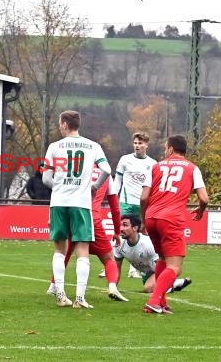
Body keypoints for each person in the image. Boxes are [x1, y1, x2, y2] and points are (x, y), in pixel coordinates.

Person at [42, 110, 112, 309]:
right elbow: (107, 170)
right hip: (81, 203)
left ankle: (61, 295)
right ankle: (80, 299)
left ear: (65, 124)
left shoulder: (54, 147)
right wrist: (95, 187)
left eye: (59, 123)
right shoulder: (93, 146)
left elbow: (46, 178)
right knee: (82, 250)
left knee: (59, 250)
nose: (59, 126)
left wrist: (59, 186)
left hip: (59, 202)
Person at [141, 135, 208, 314]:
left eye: (165, 148)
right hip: (171, 219)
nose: (165, 150)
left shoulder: (155, 166)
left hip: (152, 217)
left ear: (170, 149)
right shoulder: (192, 168)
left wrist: (143, 220)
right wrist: (200, 210)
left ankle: (161, 301)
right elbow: (204, 198)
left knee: (163, 259)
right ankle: (154, 301)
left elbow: (144, 197)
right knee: (175, 267)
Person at [47, 164, 129, 302]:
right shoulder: (106, 176)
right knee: (109, 258)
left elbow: (59, 194)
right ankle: (112, 287)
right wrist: (116, 231)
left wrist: (51, 216)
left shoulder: (75, 172)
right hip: (91, 218)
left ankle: (54, 286)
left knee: (64, 251)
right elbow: (115, 208)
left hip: (70, 215)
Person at [110, 132, 157, 279]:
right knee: (120, 233)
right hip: (125, 202)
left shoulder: (153, 164)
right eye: (135, 143)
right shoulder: (125, 160)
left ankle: (134, 269)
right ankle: (111, 265)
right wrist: (113, 197)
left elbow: (153, 187)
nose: (137, 146)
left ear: (146, 145)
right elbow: (117, 180)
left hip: (142, 205)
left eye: (140, 143)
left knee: (140, 236)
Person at [115, 214, 192, 294]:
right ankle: (173, 283)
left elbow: (162, 263)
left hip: (160, 269)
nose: (121, 228)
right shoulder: (118, 242)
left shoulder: (147, 244)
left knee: (148, 288)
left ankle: (171, 283)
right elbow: (116, 268)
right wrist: (113, 287)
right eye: (120, 225)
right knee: (151, 286)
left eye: (125, 225)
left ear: (135, 228)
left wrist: (166, 276)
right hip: (146, 272)